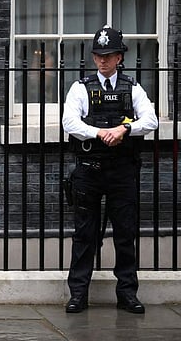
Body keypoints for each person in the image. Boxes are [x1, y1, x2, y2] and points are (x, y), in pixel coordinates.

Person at [62, 25, 158, 314]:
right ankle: (78, 294)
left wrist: (124, 129)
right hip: (89, 171)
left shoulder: (133, 88)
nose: (103, 60)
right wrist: (99, 133)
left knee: (125, 234)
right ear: (93, 58)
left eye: (109, 55)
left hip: (122, 172)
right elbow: (70, 123)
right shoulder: (80, 88)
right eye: (98, 55)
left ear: (119, 57)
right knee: (84, 235)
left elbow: (151, 120)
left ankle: (127, 294)